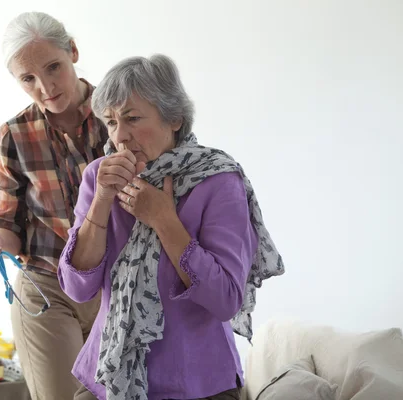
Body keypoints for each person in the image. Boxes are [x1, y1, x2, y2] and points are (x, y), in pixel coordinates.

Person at [58, 54, 284, 400]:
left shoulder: (219, 180)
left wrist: (164, 220)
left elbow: (226, 300)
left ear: (175, 118)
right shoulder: (98, 176)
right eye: (110, 122)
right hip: (109, 379)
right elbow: (76, 288)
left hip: (200, 383)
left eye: (132, 118)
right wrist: (101, 200)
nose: (120, 136)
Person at [0, 12, 107, 400]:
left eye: (53, 68)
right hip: (47, 288)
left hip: (116, 285)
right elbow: (9, 225)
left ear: (73, 52)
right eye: (27, 78)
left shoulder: (117, 117)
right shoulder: (12, 136)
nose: (45, 86)